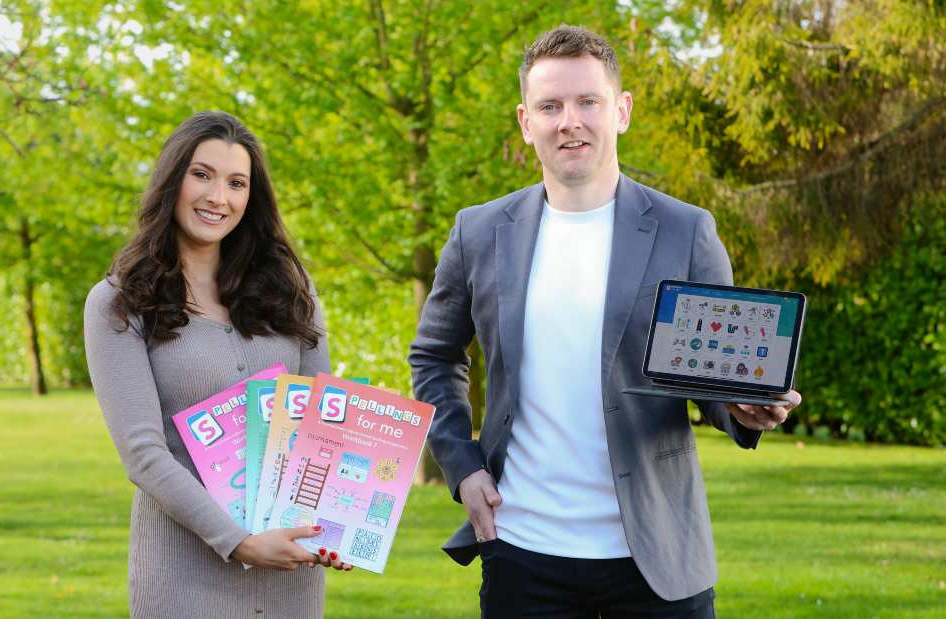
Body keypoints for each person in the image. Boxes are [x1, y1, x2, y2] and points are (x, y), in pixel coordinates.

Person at [409, 26, 802, 618]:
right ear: (525, 121)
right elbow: (435, 356)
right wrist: (461, 467)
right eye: (550, 105)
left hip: (658, 556)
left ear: (620, 110)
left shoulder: (686, 230)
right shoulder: (479, 231)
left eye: (587, 101)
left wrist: (742, 405)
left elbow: (713, 372)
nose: (570, 120)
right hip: (522, 550)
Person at [84, 111, 350, 619]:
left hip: (288, 575)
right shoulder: (119, 303)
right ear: (171, 180)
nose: (218, 198)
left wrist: (342, 528)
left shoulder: (291, 290)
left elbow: (321, 425)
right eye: (201, 175)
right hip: (185, 573)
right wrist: (241, 542)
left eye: (236, 183)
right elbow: (143, 454)